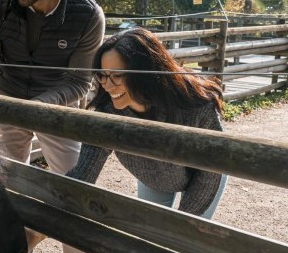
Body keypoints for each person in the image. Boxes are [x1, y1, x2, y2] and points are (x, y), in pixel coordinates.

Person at [0, 0, 104, 253]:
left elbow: (79, 82)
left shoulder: (88, 14)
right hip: (5, 101)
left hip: (57, 110)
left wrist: (36, 107)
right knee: (6, 187)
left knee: (73, 190)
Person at [66, 28, 228, 219]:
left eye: (117, 76)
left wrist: (181, 226)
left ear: (145, 74)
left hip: (203, 176)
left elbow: (210, 169)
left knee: (188, 238)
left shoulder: (196, 105)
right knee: (150, 234)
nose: (107, 86)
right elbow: (83, 173)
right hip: (154, 177)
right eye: (103, 75)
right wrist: (51, 206)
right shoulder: (107, 112)